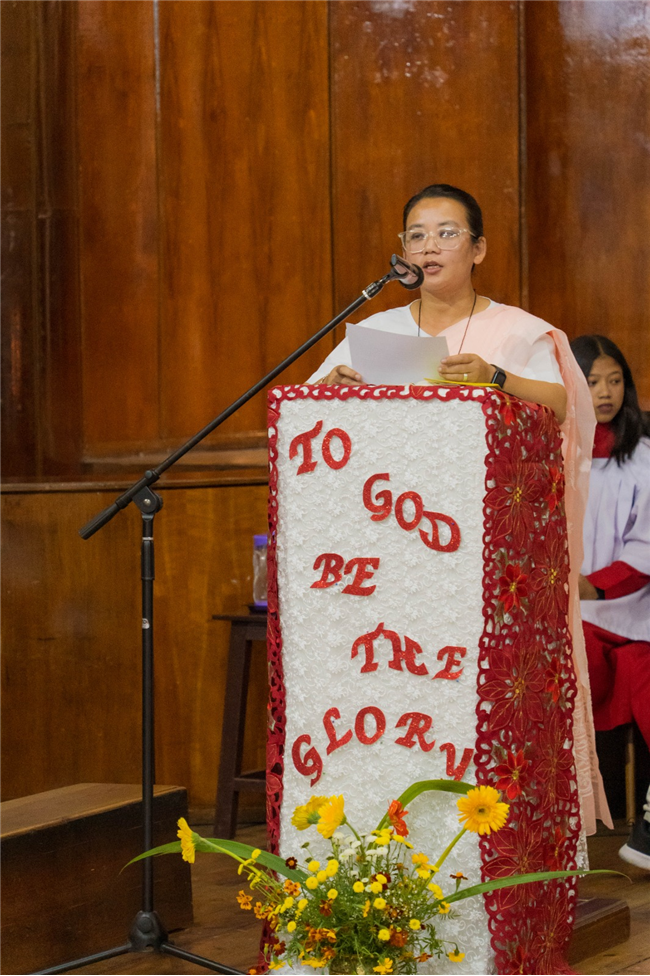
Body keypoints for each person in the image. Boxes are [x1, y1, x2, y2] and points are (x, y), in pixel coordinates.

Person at [308, 182, 611, 834]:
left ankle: (497, 833)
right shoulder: (375, 331)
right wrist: (332, 392)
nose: (429, 245)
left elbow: (560, 406)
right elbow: (310, 413)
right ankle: (403, 829)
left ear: (478, 248)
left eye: (446, 233)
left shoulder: (517, 331)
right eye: (416, 235)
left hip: (487, 558)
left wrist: (492, 379)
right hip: (392, 551)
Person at [571, 334, 650, 870]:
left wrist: (596, 586)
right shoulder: (553, 452)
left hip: (633, 610)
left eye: (614, 380)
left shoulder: (643, 456)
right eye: (593, 380)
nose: (605, 392)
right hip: (568, 616)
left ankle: (646, 822)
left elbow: (647, 541)